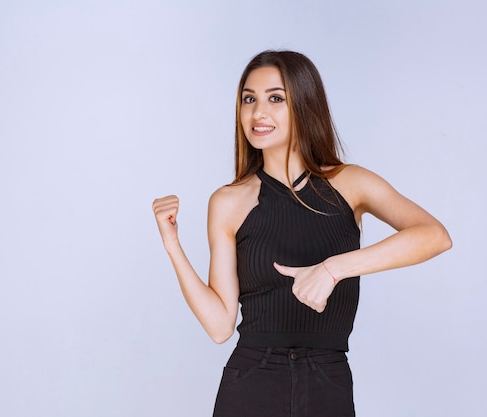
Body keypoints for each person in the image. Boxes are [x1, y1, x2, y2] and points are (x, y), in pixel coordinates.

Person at [152, 50, 452, 417]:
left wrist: (332, 269)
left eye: (275, 99)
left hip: (327, 381)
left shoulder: (349, 183)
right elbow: (219, 326)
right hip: (251, 382)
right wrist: (172, 246)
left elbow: (434, 236)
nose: (258, 113)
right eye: (249, 99)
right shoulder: (228, 202)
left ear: (304, 106)